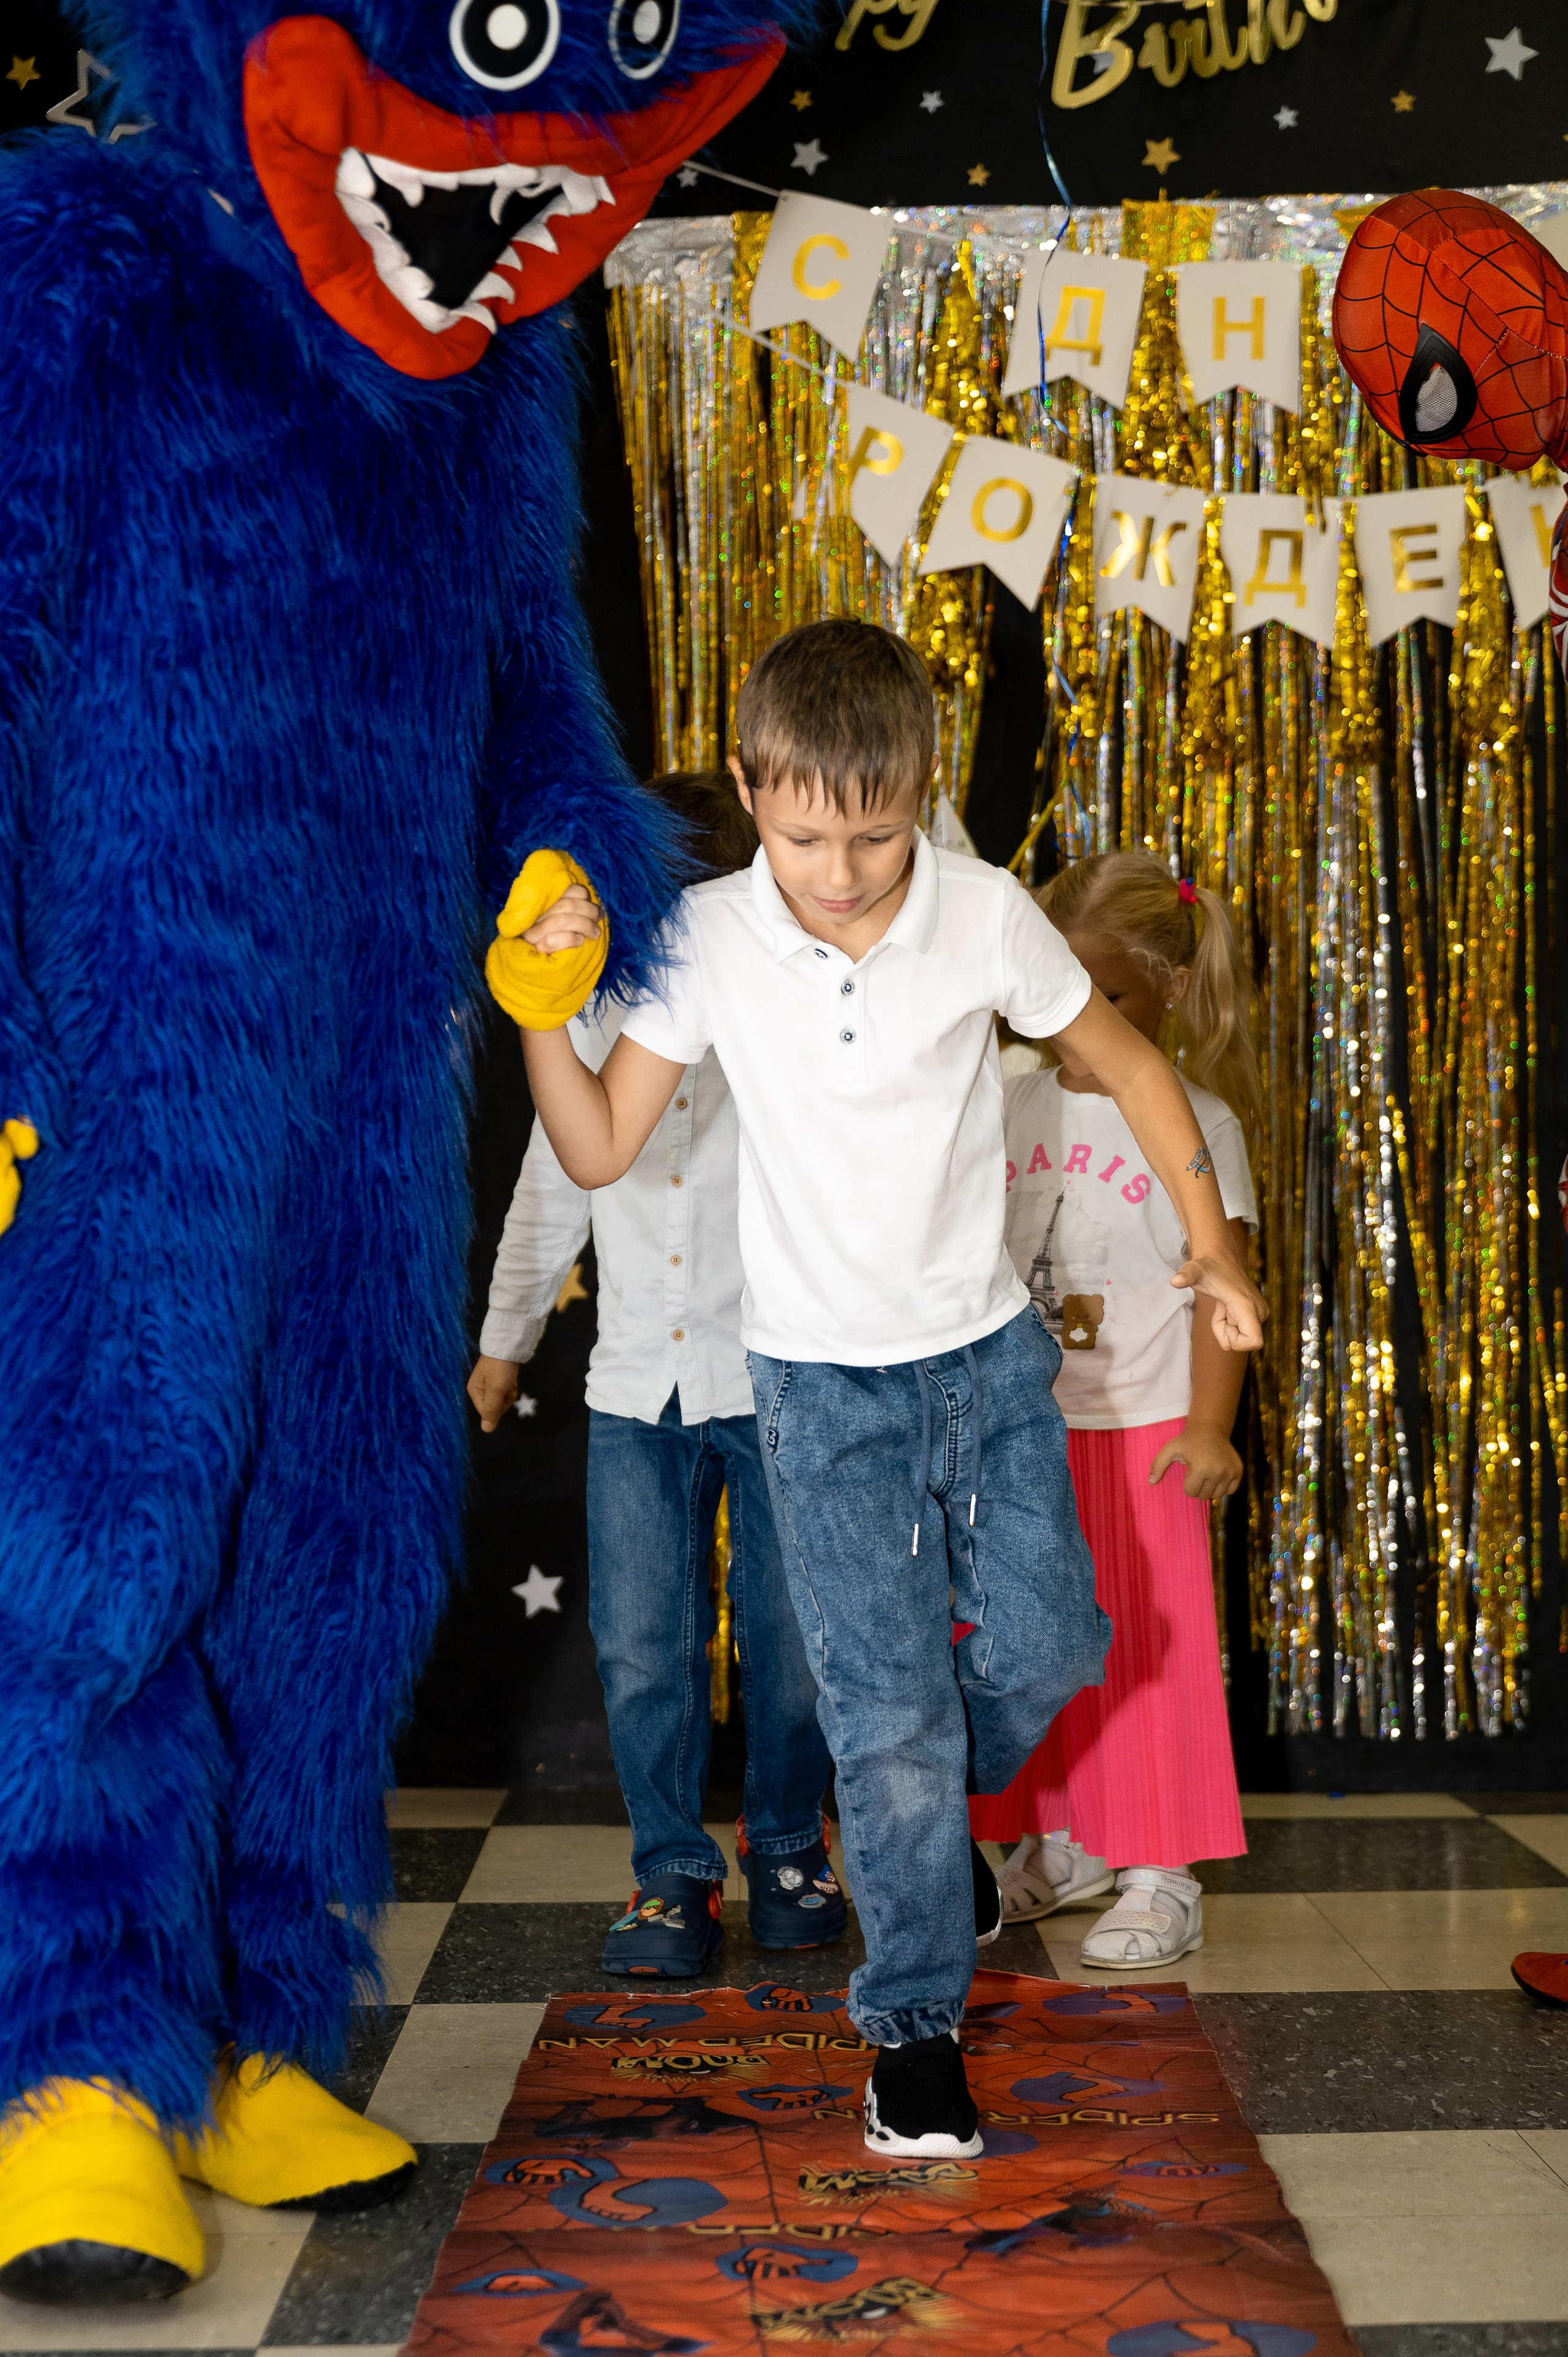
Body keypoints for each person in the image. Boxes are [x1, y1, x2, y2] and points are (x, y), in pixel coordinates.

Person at [502, 619, 1265, 2161]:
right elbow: (594, 1148)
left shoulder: (983, 914)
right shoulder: (706, 936)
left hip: (985, 1362)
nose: (839, 873)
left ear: (919, 789)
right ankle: (911, 2036)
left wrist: (1209, 1246)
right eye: (801, 838)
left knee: (1051, 1643)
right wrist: (534, 1005)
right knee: (892, 1723)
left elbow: (1130, 1067)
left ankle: (913, 1794)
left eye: (873, 834)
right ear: (749, 792)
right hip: (818, 1390)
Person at [468, 772, 843, 1979]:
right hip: (638, 1387)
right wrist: (505, 1342)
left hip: (782, 1375)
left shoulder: (789, 1018)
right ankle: (670, 1874)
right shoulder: (587, 1019)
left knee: (793, 1640)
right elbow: (551, 1185)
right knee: (642, 1645)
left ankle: (788, 1847)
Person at [970, 853, 1256, 1969]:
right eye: (1061, 990)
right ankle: (1070, 1840)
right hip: (1023, 1427)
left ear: (1170, 990)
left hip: (1146, 1430)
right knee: (1037, 1640)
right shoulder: (1009, 1094)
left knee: (1150, 1652)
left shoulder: (1200, 1124)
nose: (1077, 1021)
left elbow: (1222, 1289)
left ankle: (1161, 1871)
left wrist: (1209, 1426)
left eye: (1111, 997)